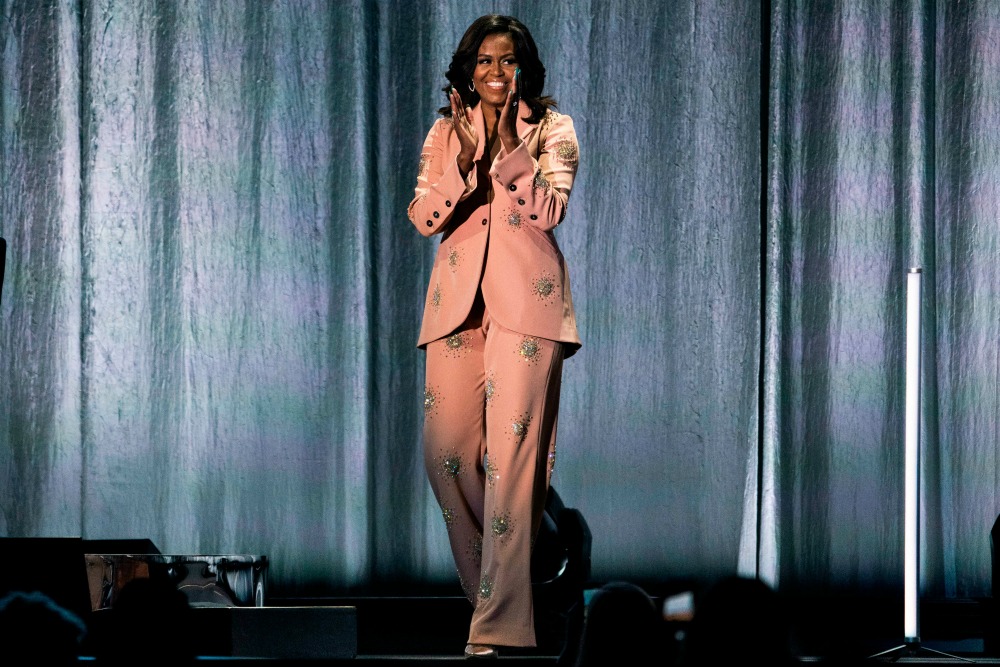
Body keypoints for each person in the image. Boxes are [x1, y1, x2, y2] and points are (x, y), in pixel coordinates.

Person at [408, 14, 581, 659]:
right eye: (483, 61)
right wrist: (461, 156)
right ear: (468, 69)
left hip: (528, 311)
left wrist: (511, 147)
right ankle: (515, 582)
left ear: (524, 69)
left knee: (512, 467)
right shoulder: (443, 132)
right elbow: (424, 216)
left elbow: (548, 211)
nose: (495, 73)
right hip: (456, 311)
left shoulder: (553, 130)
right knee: (446, 453)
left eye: (506, 62)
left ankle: (496, 631)